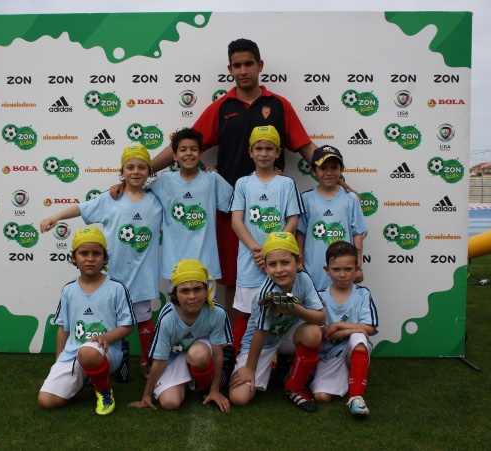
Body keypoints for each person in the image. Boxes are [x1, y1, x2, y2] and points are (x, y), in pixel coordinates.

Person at [110, 38, 318, 323]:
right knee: (234, 278)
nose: (243, 70)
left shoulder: (280, 106)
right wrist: (137, 176)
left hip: (272, 209)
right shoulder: (221, 108)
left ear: (260, 65)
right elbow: (179, 147)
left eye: (248, 64)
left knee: (278, 274)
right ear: (230, 69)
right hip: (231, 208)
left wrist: (334, 174)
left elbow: (306, 146)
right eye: (237, 65)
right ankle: (235, 341)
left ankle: (272, 339)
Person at [40, 145, 162, 379]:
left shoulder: (157, 200)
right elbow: (82, 208)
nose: (136, 171)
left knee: (143, 320)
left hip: (142, 275)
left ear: (149, 171)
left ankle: (147, 362)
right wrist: (56, 216)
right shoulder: (111, 198)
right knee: (108, 321)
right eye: (130, 167)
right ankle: (112, 357)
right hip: (112, 276)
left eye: (141, 167)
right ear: (122, 171)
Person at [38, 226, 136, 415]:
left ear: (104, 259)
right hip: (73, 354)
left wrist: (106, 337)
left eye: (96, 253)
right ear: (73, 258)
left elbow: (127, 326)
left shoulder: (116, 288)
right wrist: (58, 361)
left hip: (106, 352)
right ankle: (85, 379)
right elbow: (64, 328)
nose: (90, 258)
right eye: (84, 253)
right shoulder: (68, 290)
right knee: (47, 401)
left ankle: (104, 391)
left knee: (88, 352)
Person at [229, 232, 325, 412]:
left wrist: (294, 308)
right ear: (265, 267)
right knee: (238, 398)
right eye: (272, 264)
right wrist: (249, 368)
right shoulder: (265, 294)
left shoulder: (304, 279)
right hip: (262, 344)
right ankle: (279, 366)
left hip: (288, 335)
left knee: (313, 333)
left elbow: (321, 318)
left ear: (298, 261)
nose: (279, 269)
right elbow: (260, 334)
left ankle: (294, 387)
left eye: (285, 262)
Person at [229, 125, 305, 353]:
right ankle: (236, 358)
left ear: (278, 152)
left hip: (278, 262)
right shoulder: (243, 183)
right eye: (259, 148)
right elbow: (236, 222)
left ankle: (274, 359)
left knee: (278, 312)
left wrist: (272, 252)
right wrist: (257, 249)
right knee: (245, 314)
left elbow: (293, 220)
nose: (264, 153)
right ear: (250, 152)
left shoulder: (286, 184)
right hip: (250, 262)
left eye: (269, 148)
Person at [128, 259, 233, 412]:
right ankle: (184, 379)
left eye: (197, 289)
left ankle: (204, 388)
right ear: (175, 293)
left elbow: (217, 354)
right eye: (185, 291)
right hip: (173, 358)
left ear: (207, 289)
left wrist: (215, 390)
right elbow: (160, 361)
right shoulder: (168, 317)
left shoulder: (217, 312)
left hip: (199, 352)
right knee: (170, 403)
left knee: (198, 354)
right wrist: (146, 396)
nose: (192, 296)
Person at [146, 127, 233, 283]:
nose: (188, 153)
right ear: (174, 155)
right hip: (175, 265)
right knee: (179, 300)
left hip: (206, 265)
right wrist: (122, 184)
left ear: (201, 154)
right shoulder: (165, 181)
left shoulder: (212, 179)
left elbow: (238, 204)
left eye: (193, 149)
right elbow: (137, 192)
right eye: (183, 149)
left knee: (206, 300)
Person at [311, 241, 378, 416]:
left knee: (359, 338)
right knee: (321, 397)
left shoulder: (363, 294)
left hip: (352, 350)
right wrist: (351, 329)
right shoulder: (319, 296)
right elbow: (324, 334)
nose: (342, 274)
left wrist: (338, 325)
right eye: (336, 269)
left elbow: (369, 328)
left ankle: (356, 397)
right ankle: (354, 373)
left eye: (348, 269)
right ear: (327, 270)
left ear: (356, 269)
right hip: (329, 354)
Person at [296, 145, 367, 290]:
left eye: (334, 167)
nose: (329, 173)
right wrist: (299, 261)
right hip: (313, 271)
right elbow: (301, 233)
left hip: (343, 272)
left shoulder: (351, 198)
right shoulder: (306, 199)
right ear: (313, 171)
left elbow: (357, 232)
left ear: (342, 169)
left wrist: (358, 265)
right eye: (323, 168)